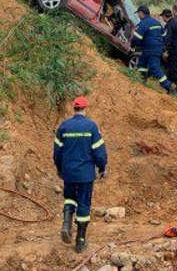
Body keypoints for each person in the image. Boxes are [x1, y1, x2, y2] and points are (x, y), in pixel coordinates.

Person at [53, 96, 108, 253]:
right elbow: (99, 152)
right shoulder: (91, 127)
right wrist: (102, 167)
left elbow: (57, 153)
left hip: (68, 172)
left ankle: (66, 223)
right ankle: (80, 241)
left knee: (69, 197)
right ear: (85, 108)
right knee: (84, 203)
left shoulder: (64, 127)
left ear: (74, 108)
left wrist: (59, 168)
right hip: (85, 174)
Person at [131, 5, 172, 93]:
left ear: (141, 13)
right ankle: (142, 84)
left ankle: (168, 85)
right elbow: (164, 36)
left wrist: (133, 46)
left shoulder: (143, 23)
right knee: (141, 65)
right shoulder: (157, 22)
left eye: (138, 14)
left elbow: (136, 38)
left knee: (154, 67)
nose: (138, 16)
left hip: (150, 50)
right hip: (154, 49)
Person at [162, 8, 177, 96]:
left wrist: (166, 51)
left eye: (162, 17)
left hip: (173, 51)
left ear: (165, 16)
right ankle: (175, 89)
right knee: (175, 69)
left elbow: (168, 39)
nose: (162, 19)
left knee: (174, 70)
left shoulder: (169, 25)